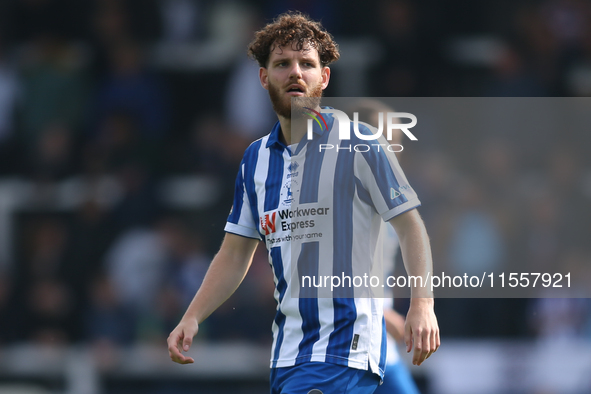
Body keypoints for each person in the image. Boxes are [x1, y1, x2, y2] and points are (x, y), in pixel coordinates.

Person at [167, 11, 439, 394]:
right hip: (289, 353)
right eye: (282, 64)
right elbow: (233, 254)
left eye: (306, 64)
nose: (295, 72)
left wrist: (421, 304)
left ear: (323, 77)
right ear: (264, 77)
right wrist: (192, 316)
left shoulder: (360, 143)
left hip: (346, 347)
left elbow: (410, 226)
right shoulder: (254, 159)